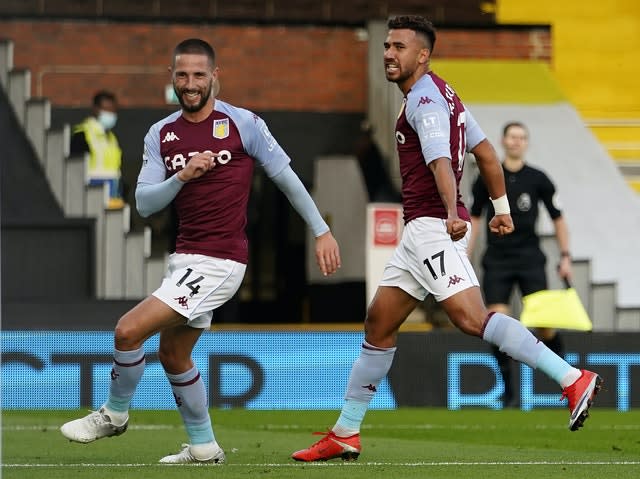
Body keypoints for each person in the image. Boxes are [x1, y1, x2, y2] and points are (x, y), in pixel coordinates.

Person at [291, 15, 602, 463]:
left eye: (398, 47)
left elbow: (440, 161)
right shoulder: (447, 94)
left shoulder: (424, 101)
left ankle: (571, 378)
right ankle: (346, 433)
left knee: (473, 319)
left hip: (433, 228)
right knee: (379, 324)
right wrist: (500, 210)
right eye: (386, 47)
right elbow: (487, 154)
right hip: (421, 231)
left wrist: (455, 212)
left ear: (423, 55)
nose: (388, 54)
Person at [60, 38, 341, 464]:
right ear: (172, 79)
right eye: (182, 75)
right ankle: (205, 447)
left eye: (198, 75)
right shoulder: (161, 133)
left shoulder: (244, 124)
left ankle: (113, 415)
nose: (190, 84)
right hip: (184, 260)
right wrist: (182, 178)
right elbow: (145, 203)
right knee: (173, 354)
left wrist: (321, 231)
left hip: (222, 261)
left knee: (127, 330)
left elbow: (286, 178)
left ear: (215, 76)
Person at [469, 121, 572, 408]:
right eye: (511, 137)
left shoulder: (539, 179)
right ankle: (509, 392)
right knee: (497, 321)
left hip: (530, 260)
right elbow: (475, 218)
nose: (516, 142)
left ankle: (569, 382)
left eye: (521, 137)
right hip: (498, 260)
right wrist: (463, 253)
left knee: (544, 326)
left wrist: (565, 256)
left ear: (526, 143)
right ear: (503, 141)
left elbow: (559, 219)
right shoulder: (487, 177)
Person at [70, 90, 125, 209]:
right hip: (92, 194)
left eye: (112, 110)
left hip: (113, 195)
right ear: (95, 109)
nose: (110, 114)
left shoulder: (111, 137)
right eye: (106, 109)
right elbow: (74, 170)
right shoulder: (83, 134)